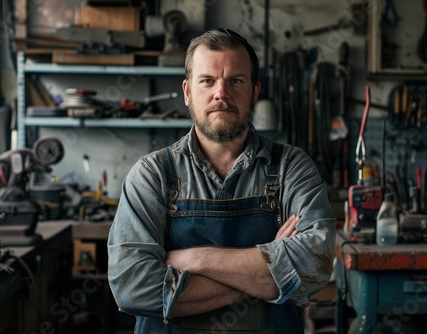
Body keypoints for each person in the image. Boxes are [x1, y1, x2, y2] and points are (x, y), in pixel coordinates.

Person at [107, 28, 336, 333]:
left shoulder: (292, 167)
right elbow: (131, 287)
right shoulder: (152, 175)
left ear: (254, 92)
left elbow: (314, 266)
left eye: (236, 81)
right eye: (208, 81)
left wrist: (196, 259)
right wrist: (266, 276)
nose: (221, 94)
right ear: (188, 92)